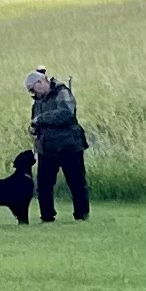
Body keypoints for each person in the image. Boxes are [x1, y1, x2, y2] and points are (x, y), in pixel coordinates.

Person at [24, 68, 90, 223]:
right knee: (43, 186)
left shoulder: (63, 93)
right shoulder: (38, 101)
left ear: (41, 82)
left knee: (76, 182)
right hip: (46, 149)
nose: (33, 94)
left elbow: (66, 114)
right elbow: (36, 119)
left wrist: (41, 119)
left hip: (69, 146)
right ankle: (47, 216)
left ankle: (82, 215)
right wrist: (34, 128)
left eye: (33, 89)